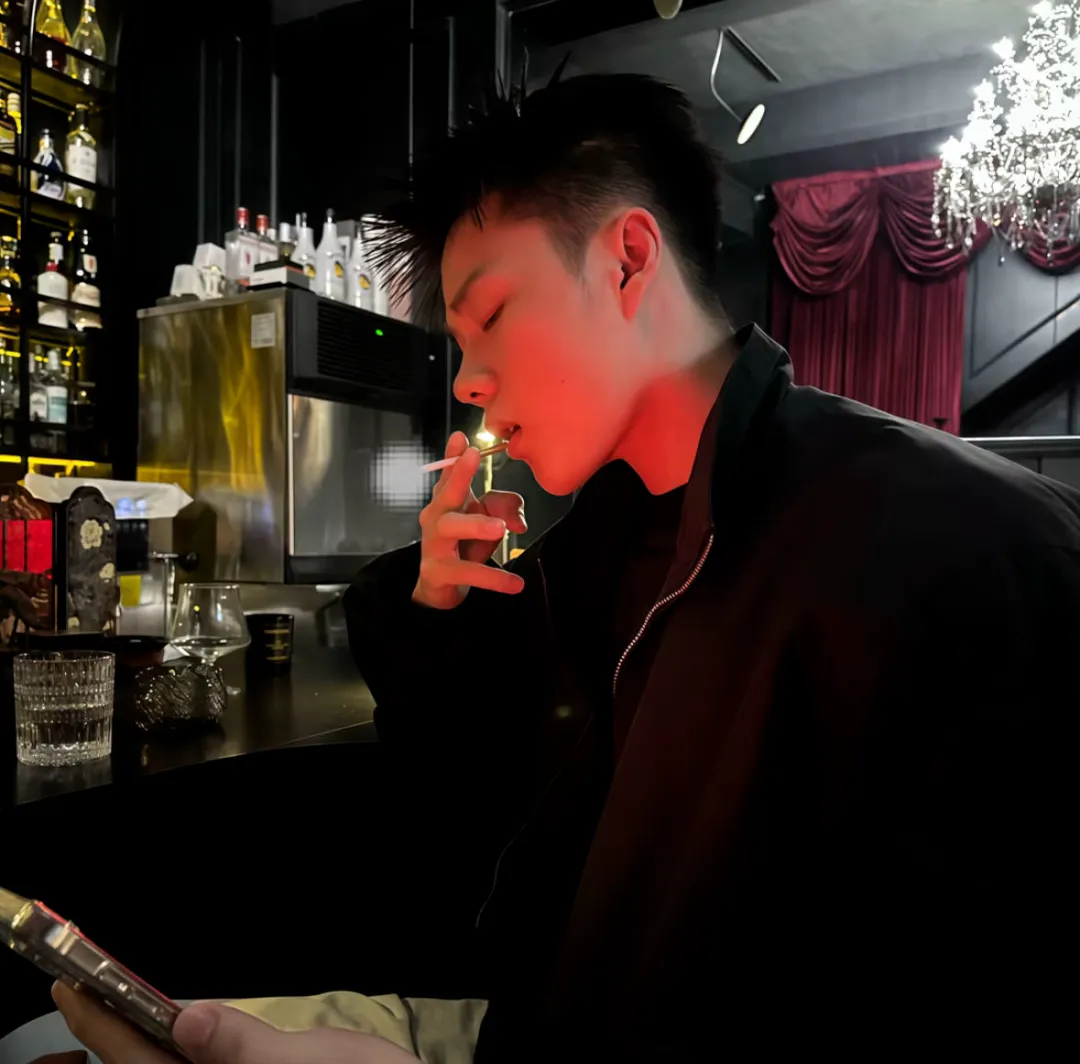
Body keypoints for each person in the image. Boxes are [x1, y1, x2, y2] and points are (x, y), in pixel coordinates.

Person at [30, 70, 1078, 1064]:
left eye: (490, 315)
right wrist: (435, 609)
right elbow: (478, 824)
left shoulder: (948, 547)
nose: (468, 379)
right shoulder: (608, 540)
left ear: (628, 258)